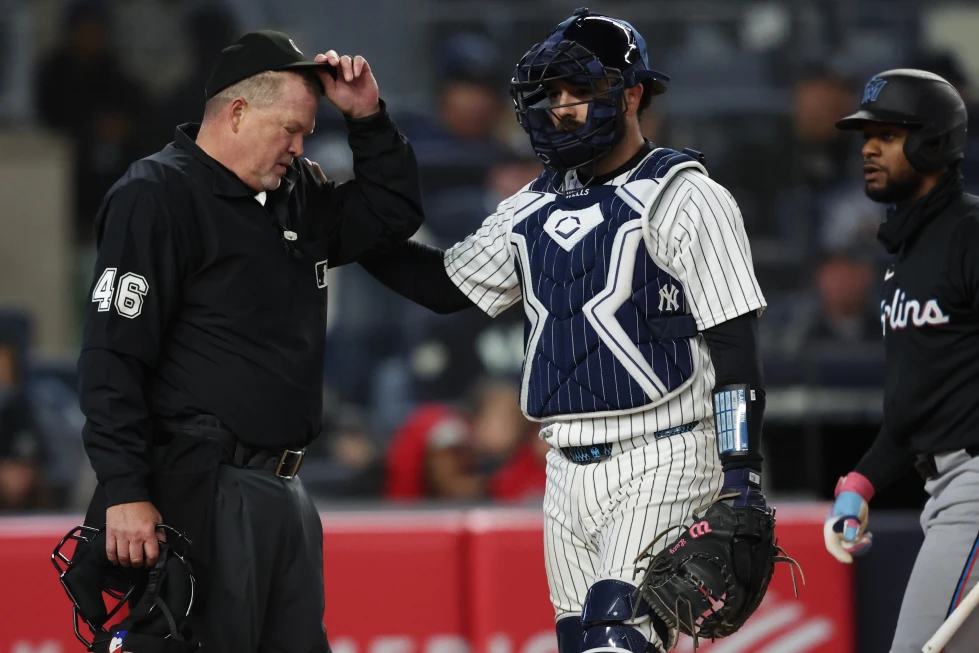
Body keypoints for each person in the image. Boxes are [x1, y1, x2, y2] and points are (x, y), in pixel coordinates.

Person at [359, 9, 773, 652]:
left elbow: (734, 346)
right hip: (564, 467)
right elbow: (444, 286)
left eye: (580, 90)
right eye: (551, 94)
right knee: (583, 642)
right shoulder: (531, 204)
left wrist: (742, 473)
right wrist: (350, 233)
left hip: (663, 453)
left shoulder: (687, 195)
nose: (562, 108)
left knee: (616, 635)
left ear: (632, 94)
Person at [76, 29, 423, 652]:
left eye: (306, 133)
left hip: (287, 490)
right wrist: (125, 491)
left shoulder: (295, 196)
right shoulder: (157, 193)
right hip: (200, 489)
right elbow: (111, 357)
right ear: (236, 112)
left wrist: (368, 118)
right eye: (289, 129)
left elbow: (392, 215)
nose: (299, 146)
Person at [827, 68, 979, 652]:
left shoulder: (970, 233)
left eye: (887, 135)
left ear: (933, 142)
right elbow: (915, 404)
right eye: (867, 136)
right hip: (942, 488)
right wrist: (861, 482)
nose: (868, 148)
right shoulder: (904, 256)